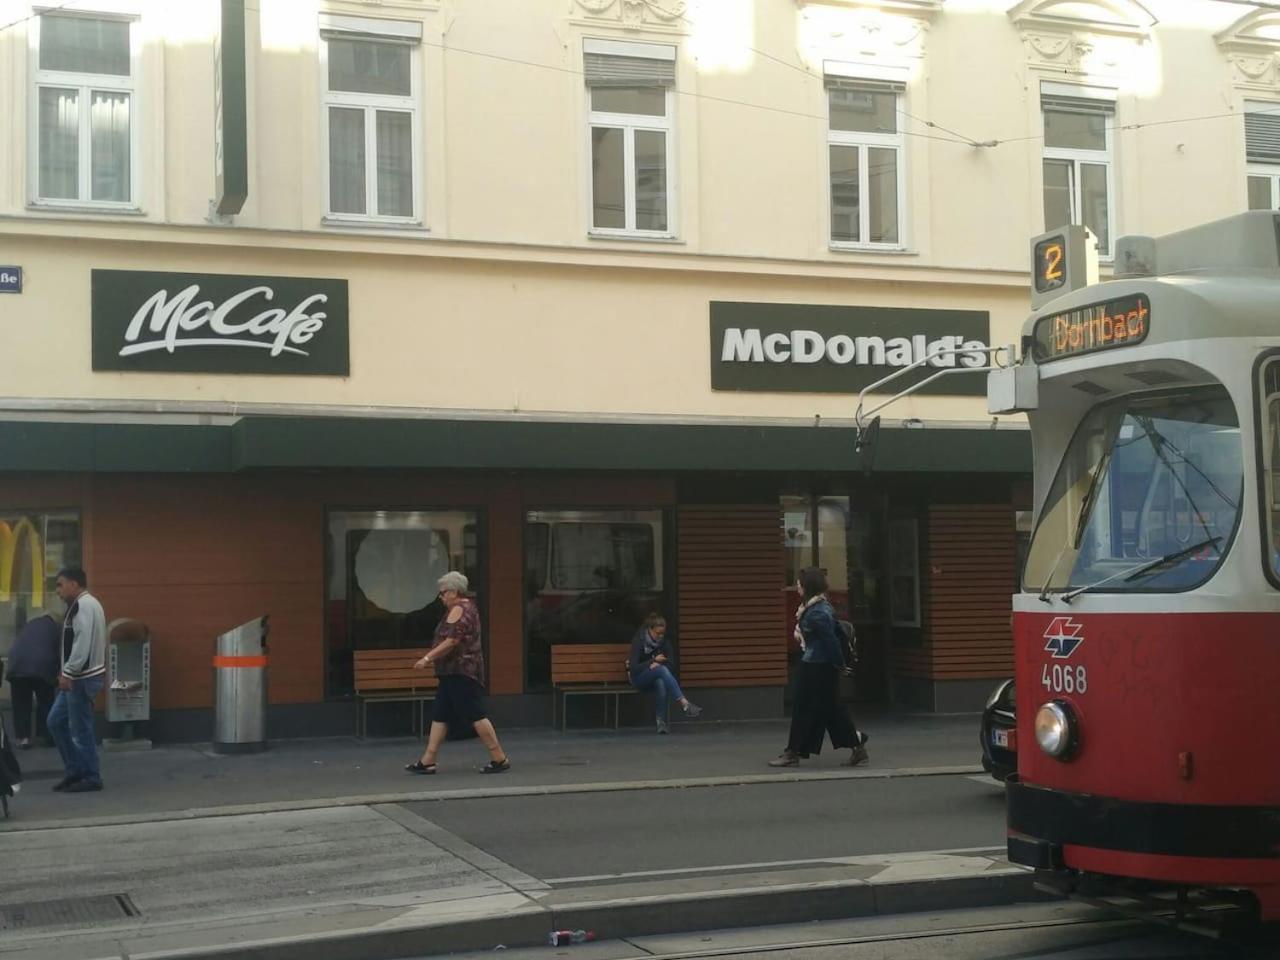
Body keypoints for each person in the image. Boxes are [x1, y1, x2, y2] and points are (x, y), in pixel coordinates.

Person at [405, 571, 511, 775]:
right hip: (452, 672)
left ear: (454, 592)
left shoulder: (459, 610)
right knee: (440, 714)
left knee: (476, 713)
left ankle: (499, 758)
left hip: (460, 671)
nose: (441, 597)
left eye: (443, 592)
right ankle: (428, 760)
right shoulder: (468, 607)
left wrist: (427, 658)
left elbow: (451, 641)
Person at [769, 567, 869, 768]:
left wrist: (839, 664)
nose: (797, 585)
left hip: (817, 667)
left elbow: (830, 641)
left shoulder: (818, 612)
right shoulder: (813, 607)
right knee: (830, 710)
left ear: (808, 586)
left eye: (799, 582)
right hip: (817, 665)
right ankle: (857, 744)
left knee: (803, 708)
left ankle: (793, 752)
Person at [47, 567, 107, 792]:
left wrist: (68, 673)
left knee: (80, 729)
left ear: (74, 584)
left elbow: (82, 643)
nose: (58, 590)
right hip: (80, 677)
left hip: (80, 678)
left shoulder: (83, 605)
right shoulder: (87, 604)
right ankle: (75, 770)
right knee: (55, 721)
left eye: (60, 585)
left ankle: (91, 776)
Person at [629, 613, 701, 734]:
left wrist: (658, 665)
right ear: (650, 630)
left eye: (662, 633)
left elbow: (671, 666)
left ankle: (661, 722)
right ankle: (685, 704)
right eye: (657, 633)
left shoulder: (665, 643)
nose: (660, 636)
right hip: (639, 679)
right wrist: (652, 661)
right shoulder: (638, 642)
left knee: (661, 681)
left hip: (657, 678)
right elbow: (634, 668)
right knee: (660, 670)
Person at [5, 607, 61, 749]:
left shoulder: (31, 624)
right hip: (41, 666)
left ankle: (23, 738)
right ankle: (47, 736)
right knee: (46, 702)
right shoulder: (56, 627)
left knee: (21, 703)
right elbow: (60, 651)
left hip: (16, 664)